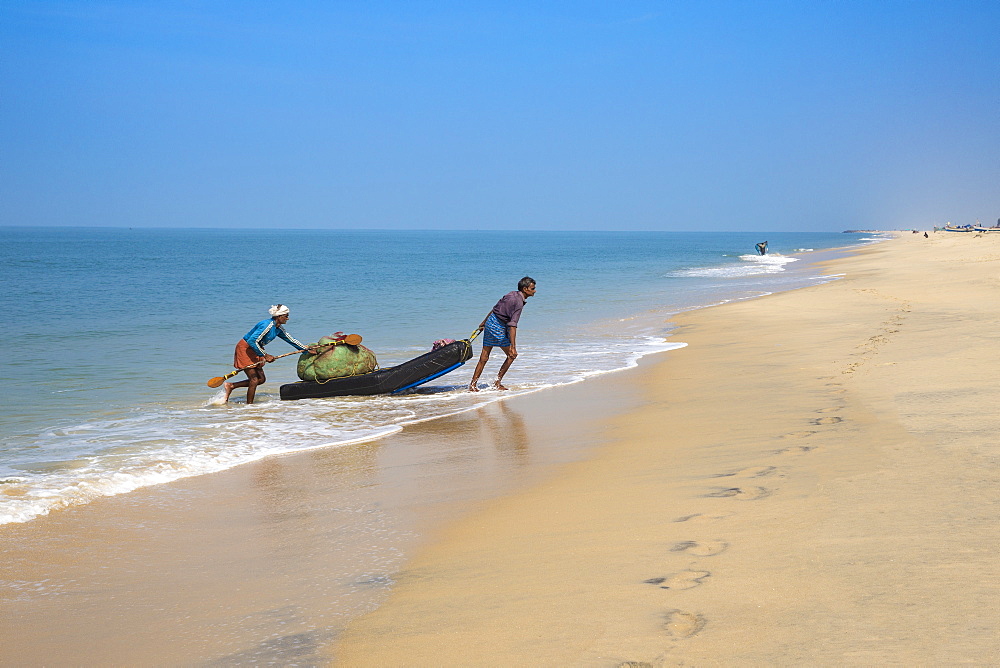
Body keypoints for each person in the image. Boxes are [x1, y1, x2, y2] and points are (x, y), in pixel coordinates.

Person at [224, 304, 313, 404]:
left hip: (257, 349)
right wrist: (265, 355)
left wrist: (306, 350)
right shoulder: (267, 325)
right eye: (286, 316)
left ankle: (231, 386)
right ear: (279, 317)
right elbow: (252, 341)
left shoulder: (278, 328)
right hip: (246, 349)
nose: (288, 318)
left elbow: (291, 339)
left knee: (261, 379)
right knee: (254, 379)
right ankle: (249, 407)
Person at [468, 277, 537, 392]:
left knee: (484, 357)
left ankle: (473, 385)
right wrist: (513, 347)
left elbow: (494, 309)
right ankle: (497, 383)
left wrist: (484, 322)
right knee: (511, 355)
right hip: (497, 327)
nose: (535, 291)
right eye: (533, 288)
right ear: (525, 289)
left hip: (491, 322)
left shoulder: (511, 294)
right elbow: (513, 325)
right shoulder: (518, 302)